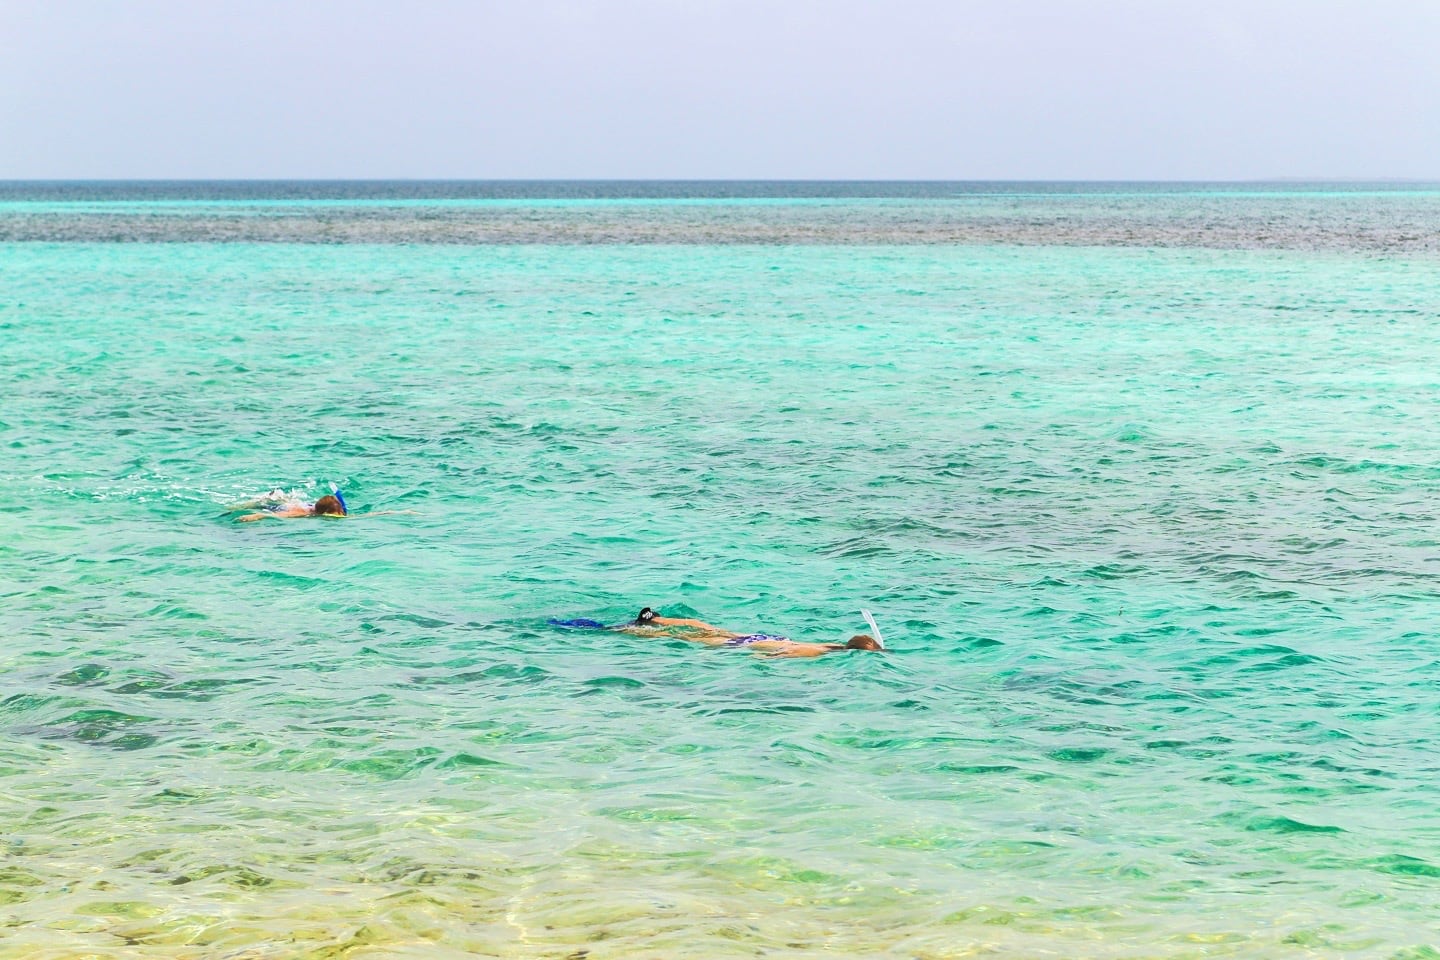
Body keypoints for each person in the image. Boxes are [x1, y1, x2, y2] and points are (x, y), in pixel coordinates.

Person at [618, 607, 884, 658]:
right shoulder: (821, 652)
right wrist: (769, 659)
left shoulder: (832, 644)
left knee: (703, 627)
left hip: (760, 636)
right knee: (687, 637)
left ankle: (657, 619)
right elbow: (790, 652)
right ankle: (634, 631)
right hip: (750, 645)